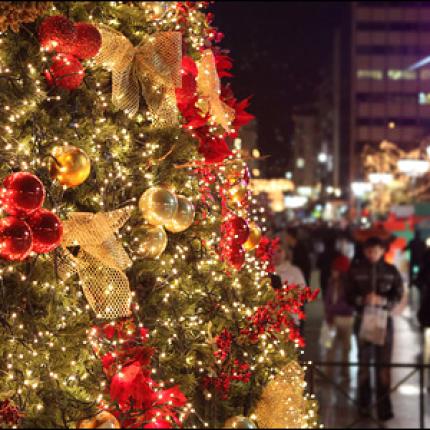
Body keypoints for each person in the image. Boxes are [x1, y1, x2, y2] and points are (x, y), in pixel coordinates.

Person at [346, 236, 404, 422]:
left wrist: (384, 301)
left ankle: (384, 408)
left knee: (383, 367)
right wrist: (361, 300)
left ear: (382, 251)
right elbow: (348, 294)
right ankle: (363, 405)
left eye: (376, 250)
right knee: (363, 364)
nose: (373, 254)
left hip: (384, 321)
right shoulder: (355, 270)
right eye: (370, 251)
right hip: (363, 320)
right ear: (365, 251)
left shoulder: (391, 270)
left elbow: (398, 293)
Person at [323, 254, 354, 381]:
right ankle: (328, 373)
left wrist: (331, 309)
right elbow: (328, 300)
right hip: (332, 318)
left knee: (346, 348)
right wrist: (328, 311)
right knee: (330, 347)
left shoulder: (349, 285)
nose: (333, 272)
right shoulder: (331, 283)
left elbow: (349, 305)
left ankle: (344, 373)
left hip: (346, 319)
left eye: (335, 269)